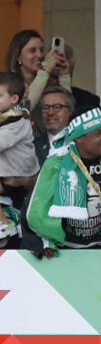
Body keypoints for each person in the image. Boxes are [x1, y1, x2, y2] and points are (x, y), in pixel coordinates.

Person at [27, 107, 101, 267]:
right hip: (65, 254)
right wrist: (46, 242)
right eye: (98, 134)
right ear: (79, 138)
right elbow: (37, 209)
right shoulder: (56, 164)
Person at [0, 72, 36, 241]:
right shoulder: (6, 119)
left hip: (19, 173)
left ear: (14, 99)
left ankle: (5, 224)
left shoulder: (17, 121)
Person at [6, 29, 64, 109]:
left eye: (41, 50)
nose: (39, 55)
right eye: (32, 51)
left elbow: (65, 107)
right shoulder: (7, 85)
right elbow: (23, 109)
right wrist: (45, 72)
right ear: (18, 56)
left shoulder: (48, 81)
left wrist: (64, 76)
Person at [33, 86, 73, 164]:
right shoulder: (32, 147)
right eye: (45, 107)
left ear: (70, 111)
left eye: (57, 107)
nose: (50, 112)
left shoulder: (80, 142)